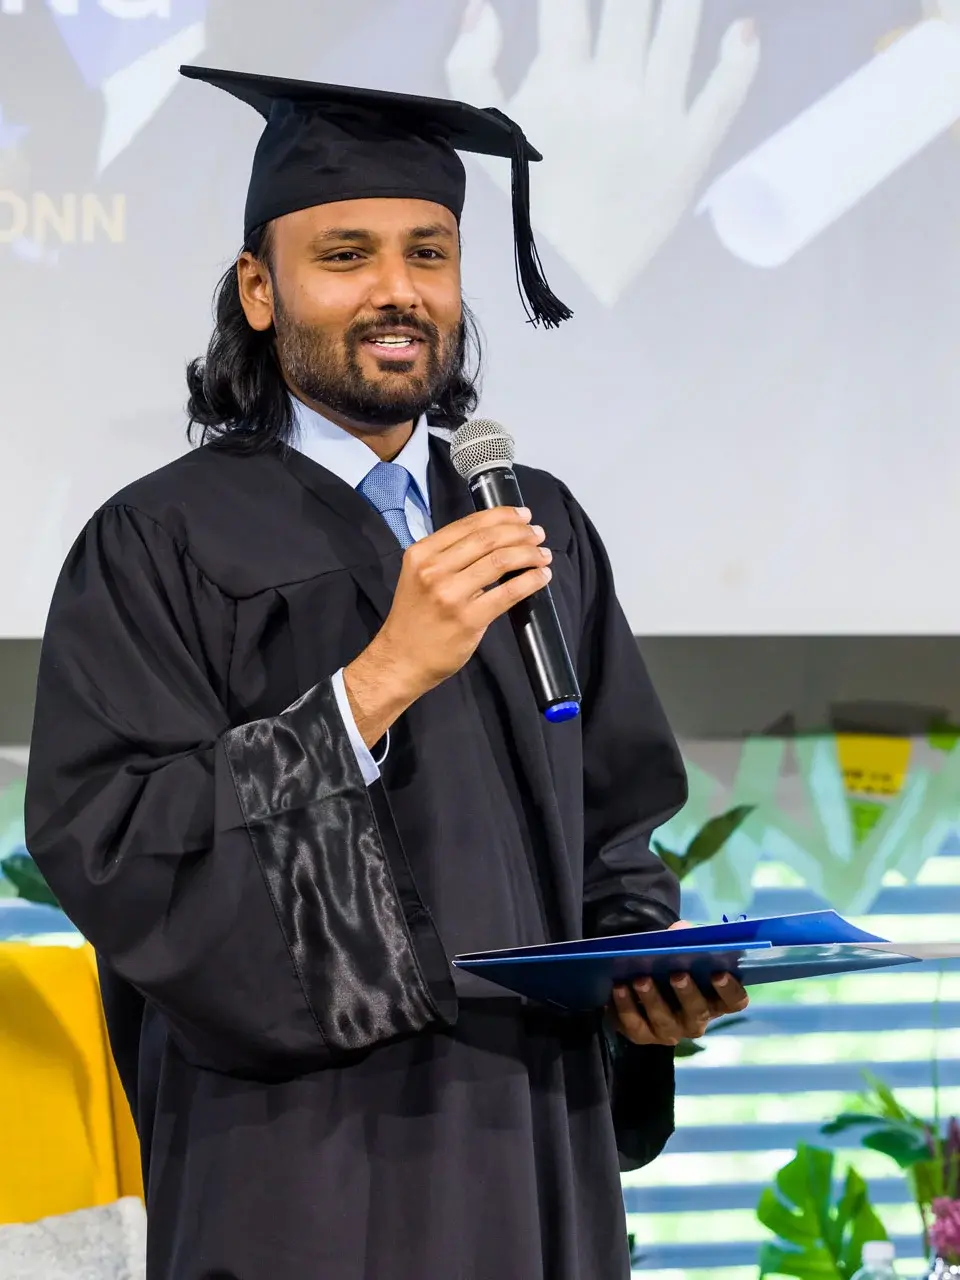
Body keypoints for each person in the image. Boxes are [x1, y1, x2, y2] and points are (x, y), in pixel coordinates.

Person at [24, 67, 749, 1280]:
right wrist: (369, 690)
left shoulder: (537, 525)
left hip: (535, 1150)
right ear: (260, 291)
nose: (398, 291)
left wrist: (643, 980)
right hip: (301, 1169)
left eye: (430, 252)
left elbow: (615, 826)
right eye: (345, 255)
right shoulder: (159, 541)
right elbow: (112, 840)